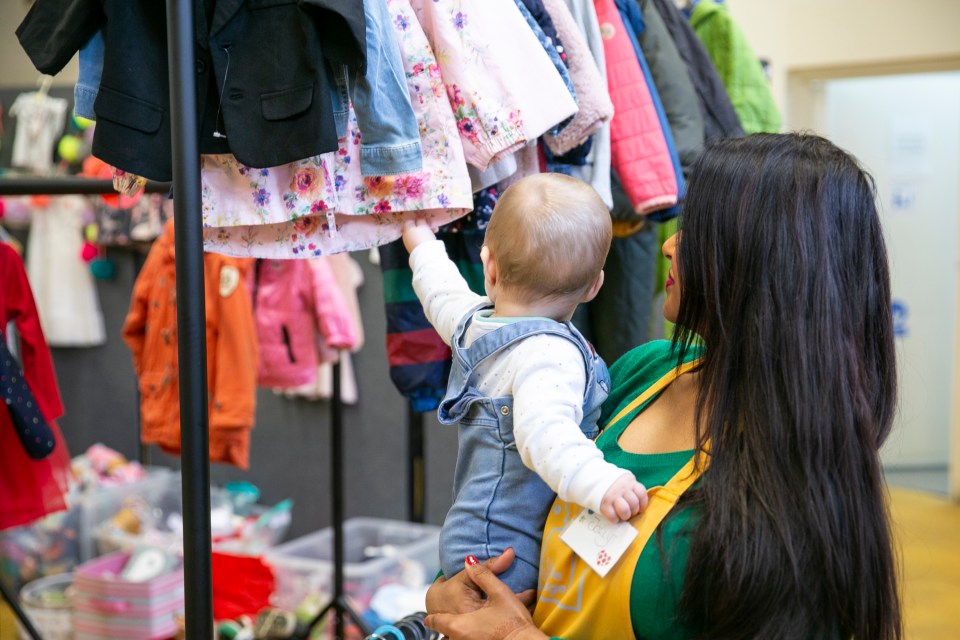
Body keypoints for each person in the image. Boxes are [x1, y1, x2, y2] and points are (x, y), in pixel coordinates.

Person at [423, 133, 903, 640]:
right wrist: (448, 592)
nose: (670, 244)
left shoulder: (799, 487)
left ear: (766, 263)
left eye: (696, 231)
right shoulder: (644, 372)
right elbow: (516, 496)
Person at [401, 173, 650, 593]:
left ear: (489, 265)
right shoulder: (549, 357)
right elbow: (544, 434)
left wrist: (420, 241)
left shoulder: (474, 324)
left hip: (477, 537)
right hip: (509, 554)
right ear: (594, 287)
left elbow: (440, 292)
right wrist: (601, 482)